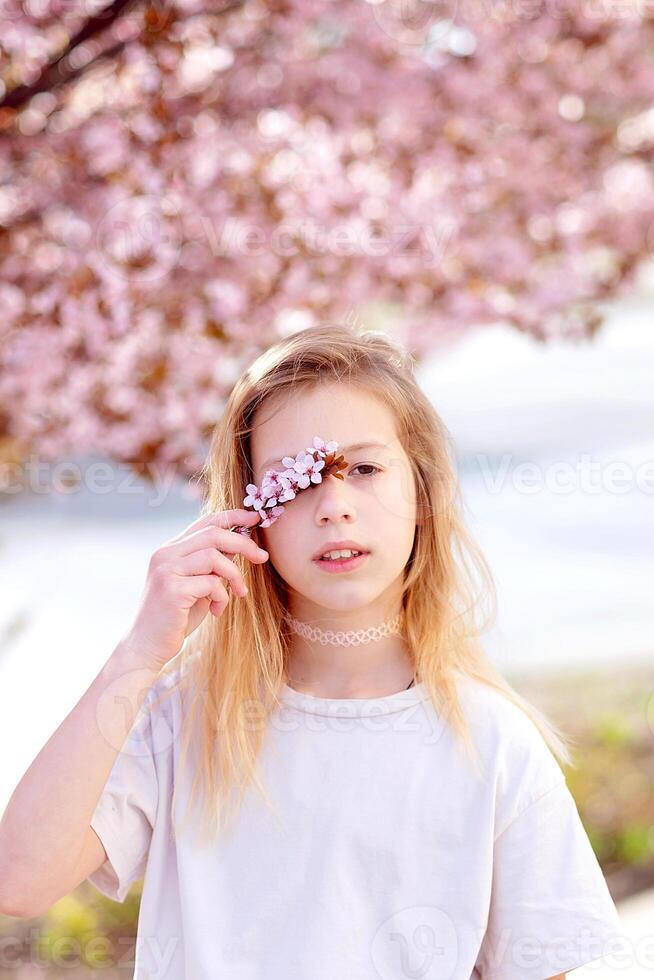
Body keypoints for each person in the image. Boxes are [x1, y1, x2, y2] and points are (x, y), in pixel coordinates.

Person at [0, 324, 627, 979]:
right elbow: (20, 881)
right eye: (295, 481)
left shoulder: (491, 743)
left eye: (363, 468)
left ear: (421, 492)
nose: (334, 505)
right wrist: (137, 655)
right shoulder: (183, 717)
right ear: (249, 513)